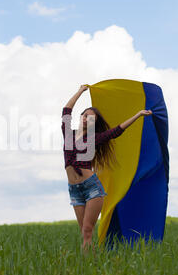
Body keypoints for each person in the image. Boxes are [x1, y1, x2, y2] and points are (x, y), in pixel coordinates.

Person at [61, 84, 153, 254]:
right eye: (85, 115)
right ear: (81, 117)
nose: (86, 119)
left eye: (91, 118)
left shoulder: (94, 139)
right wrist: (81, 91)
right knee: (84, 233)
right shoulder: (68, 134)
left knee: (88, 231)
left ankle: (88, 265)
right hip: (74, 189)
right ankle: (91, 264)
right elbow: (67, 109)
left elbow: (117, 131)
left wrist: (138, 115)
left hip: (91, 188)